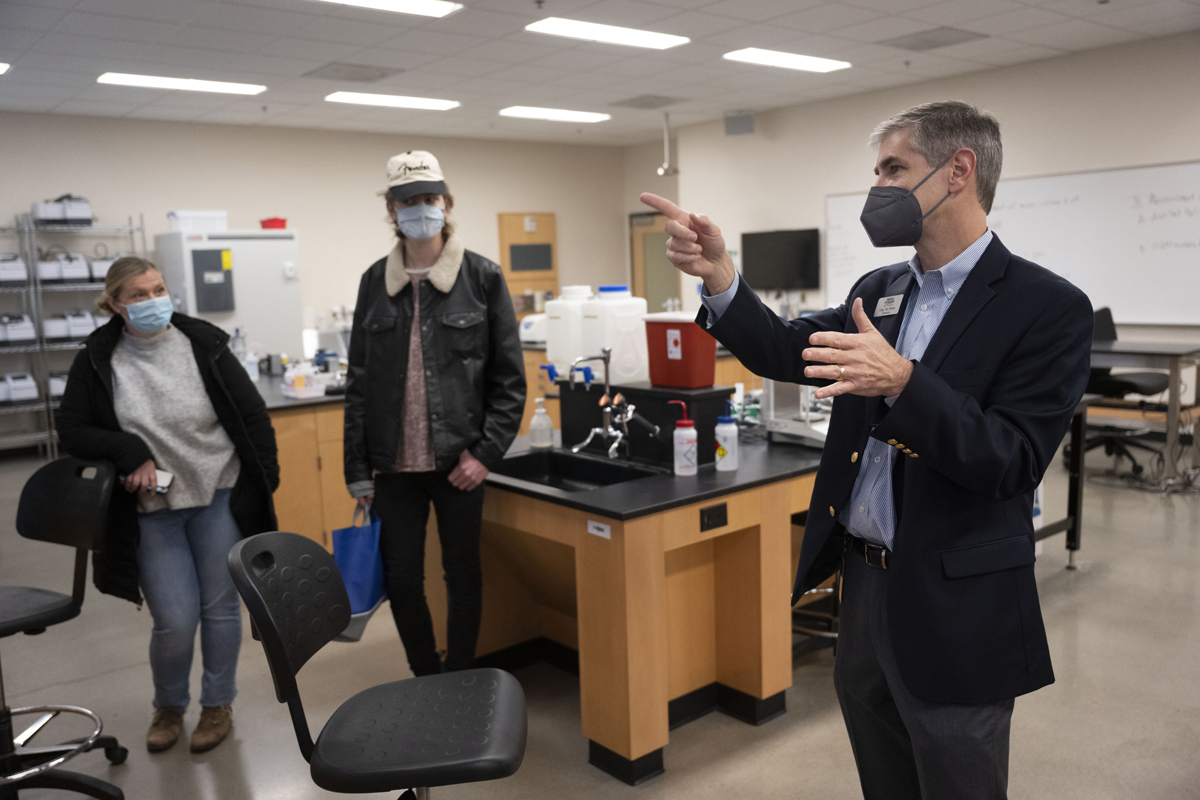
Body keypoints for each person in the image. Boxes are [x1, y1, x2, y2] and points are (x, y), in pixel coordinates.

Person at [642, 101, 1092, 800]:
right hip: (866, 587)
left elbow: (1012, 460)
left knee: (956, 776)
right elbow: (786, 348)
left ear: (957, 172)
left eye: (893, 169)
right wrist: (722, 277)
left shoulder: (1046, 307)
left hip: (956, 604)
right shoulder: (879, 291)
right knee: (884, 778)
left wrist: (906, 383)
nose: (877, 188)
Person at [56, 257, 279, 754]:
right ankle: (170, 705)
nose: (154, 300)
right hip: (151, 508)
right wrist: (128, 450)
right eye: (139, 294)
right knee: (175, 619)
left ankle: (217, 704)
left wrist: (266, 481)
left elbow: (251, 415)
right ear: (114, 303)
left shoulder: (204, 344)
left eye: (159, 289)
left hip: (218, 491)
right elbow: (71, 429)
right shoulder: (97, 357)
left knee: (219, 609)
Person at [344, 150, 525, 677]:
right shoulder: (373, 281)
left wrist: (485, 453)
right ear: (391, 211)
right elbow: (358, 383)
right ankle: (426, 674)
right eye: (407, 201)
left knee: (462, 574)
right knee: (402, 579)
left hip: (459, 464)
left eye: (429, 199)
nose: (419, 209)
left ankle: (463, 674)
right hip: (394, 468)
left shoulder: (483, 278)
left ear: (446, 205)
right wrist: (357, 470)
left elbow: (509, 379)